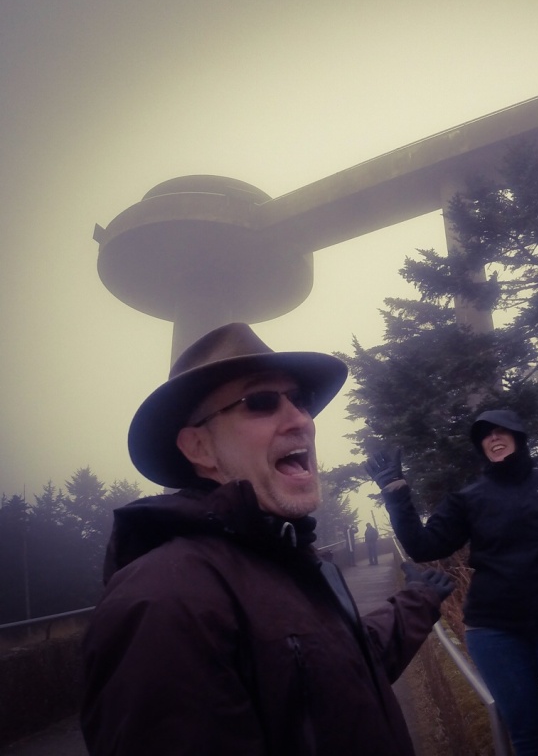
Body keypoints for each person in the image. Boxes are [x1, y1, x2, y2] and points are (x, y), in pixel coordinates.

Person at [80, 322, 454, 756]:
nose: (300, 420)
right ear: (199, 448)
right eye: (260, 402)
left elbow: (343, 671)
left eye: (301, 400)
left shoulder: (297, 562)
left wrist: (418, 601)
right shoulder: (163, 601)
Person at [365, 408, 538, 756]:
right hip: (495, 632)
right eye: (485, 434)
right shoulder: (469, 499)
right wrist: (396, 494)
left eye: (501, 430)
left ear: (518, 437)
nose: (493, 438)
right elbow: (423, 546)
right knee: (529, 735)